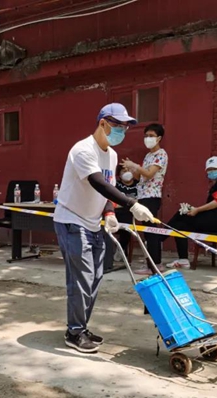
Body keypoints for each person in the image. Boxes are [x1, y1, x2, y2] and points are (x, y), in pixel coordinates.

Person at [54, 103, 155, 353]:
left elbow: (108, 187)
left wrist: (109, 211)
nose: (122, 131)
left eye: (125, 127)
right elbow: (98, 182)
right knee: (82, 278)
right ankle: (74, 332)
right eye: (117, 125)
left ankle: (81, 327)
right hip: (72, 220)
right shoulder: (82, 150)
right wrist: (131, 204)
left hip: (93, 221)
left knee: (96, 277)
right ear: (102, 123)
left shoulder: (111, 155)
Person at [164, 156, 217, 269]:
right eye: (209, 170)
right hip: (212, 218)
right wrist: (194, 210)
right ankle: (183, 259)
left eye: (214, 169)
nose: (211, 172)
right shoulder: (216, 184)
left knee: (181, 214)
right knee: (180, 225)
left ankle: (158, 239)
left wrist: (197, 210)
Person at [121, 123, 168, 275]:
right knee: (148, 233)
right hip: (142, 195)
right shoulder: (148, 156)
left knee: (151, 232)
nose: (148, 138)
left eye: (151, 136)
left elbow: (149, 174)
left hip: (151, 197)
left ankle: (155, 265)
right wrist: (131, 169)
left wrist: (135, 165)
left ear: (159, 138)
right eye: (146, 136)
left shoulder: (161, 154)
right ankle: (152, 264)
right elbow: (141, 177)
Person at [113, 165, 138, 261]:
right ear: (119, 174)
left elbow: (139, 202)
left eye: (129, 170)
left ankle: (121, 249)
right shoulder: (115, 185)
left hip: (130, 214)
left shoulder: (138, 185)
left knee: (127, 222)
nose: (127, 172)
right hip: (116, 212)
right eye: (124, 171)